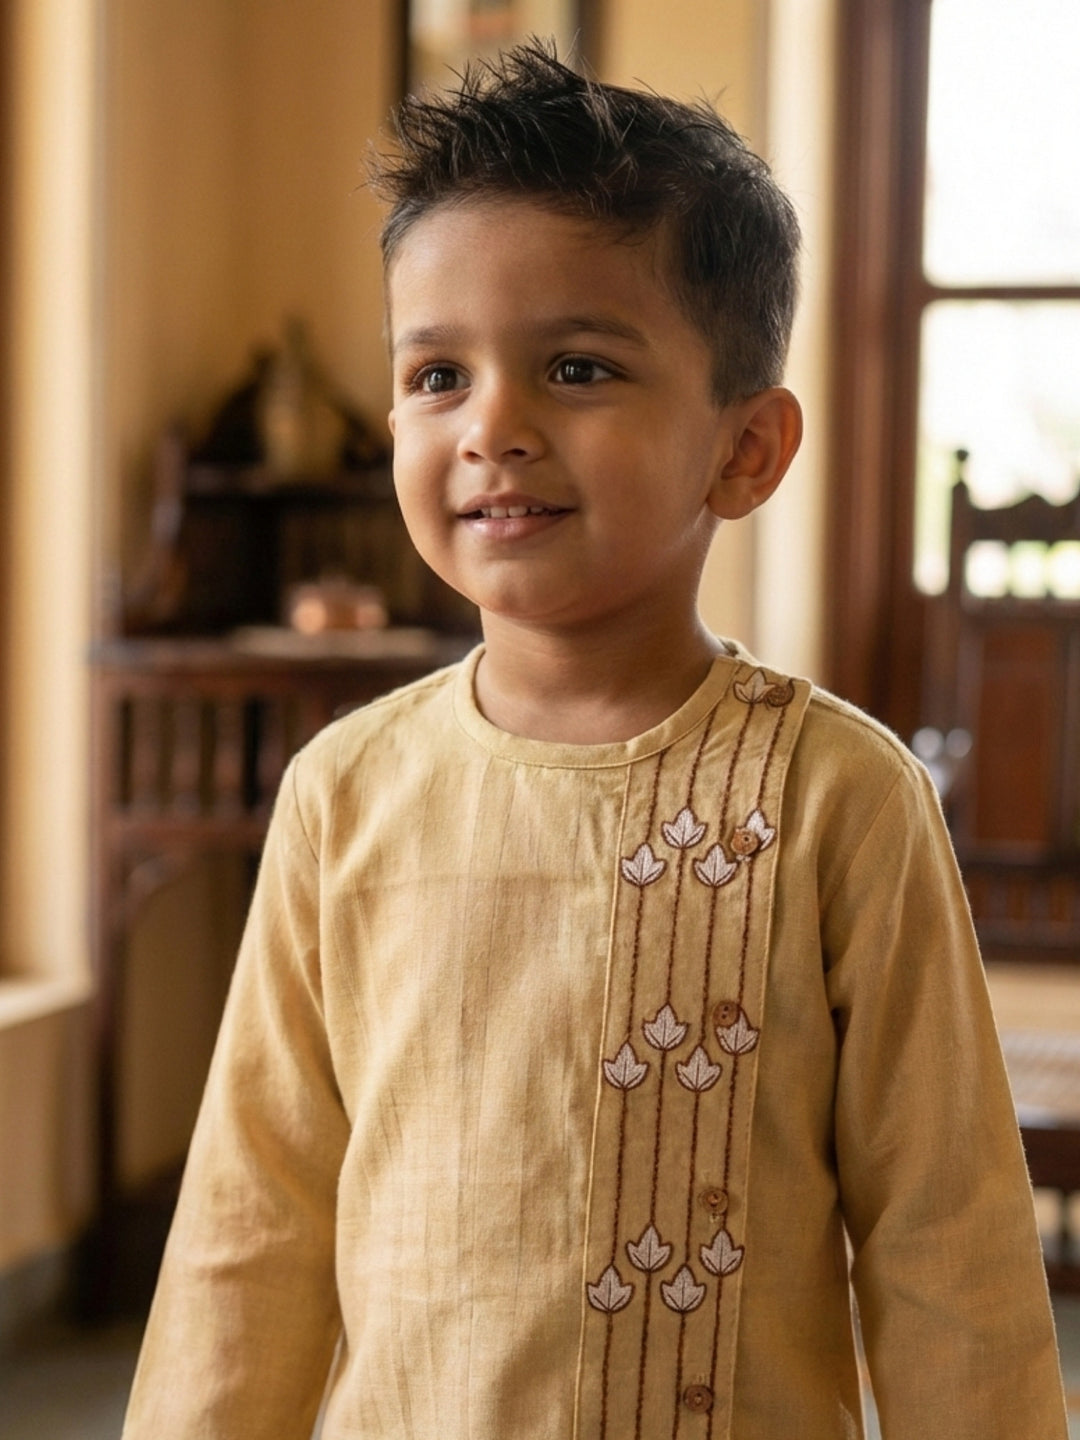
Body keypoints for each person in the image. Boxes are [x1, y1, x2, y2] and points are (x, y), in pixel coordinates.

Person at [122, 41, 1067, 1440]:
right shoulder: (347, 794)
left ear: (744, 449)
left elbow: (951, 1254)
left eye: (575, 366)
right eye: (438, 374)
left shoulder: (839, 799)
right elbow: (247, 1234)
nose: (491, 425)